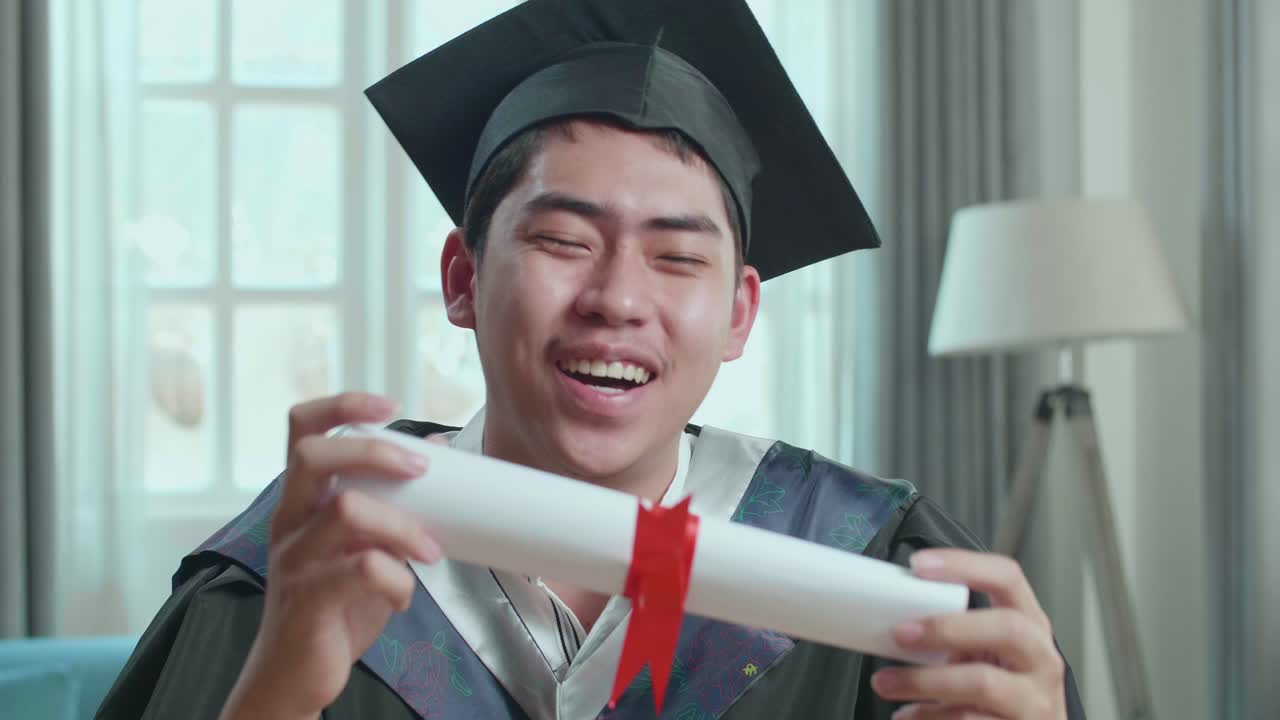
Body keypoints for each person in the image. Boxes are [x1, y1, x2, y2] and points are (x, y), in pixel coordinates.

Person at [99, 0, 1084, 718]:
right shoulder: (301, 564)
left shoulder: (861, 561)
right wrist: (275, 692)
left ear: (739, 313)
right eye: (562, 241)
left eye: (677, 256)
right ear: (460, 277)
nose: (616, 298)